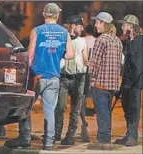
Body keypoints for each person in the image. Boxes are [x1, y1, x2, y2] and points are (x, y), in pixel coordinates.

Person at [29, 3, 74, 150]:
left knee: (26, 108)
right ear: (57, 15)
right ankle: (48, 143)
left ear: (44, 14)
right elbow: (71, 55)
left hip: (37, 75)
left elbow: (30, 56)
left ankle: (24, 137)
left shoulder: (36, 31)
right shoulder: (64, 32)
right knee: (50, 112)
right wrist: (57, 53)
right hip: (54, 76)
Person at [87, 12, 123, 150]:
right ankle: (104, 138)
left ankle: (103, 140)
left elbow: (95, 64)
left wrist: (90, 75)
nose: (95, 25)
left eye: (97, 22)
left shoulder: (101, 40)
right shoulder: (117, 41)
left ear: (103, 24)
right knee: (106, 112)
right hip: (112, 84)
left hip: (100, 83)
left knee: (102, 113)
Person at [55, 15, 89, 145]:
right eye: (80, 26)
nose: (82, 28)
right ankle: (56, 134)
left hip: (79, 77)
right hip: (63, 77)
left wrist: (88, 62)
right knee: (60, 106)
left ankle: (70, 136)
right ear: (73, 26)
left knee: (76, 109)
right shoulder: (62, 39)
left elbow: (85, 57)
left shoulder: (83, 41)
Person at [115, 15, 143, 147]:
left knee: (134, 110)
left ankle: (133, 136)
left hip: (134, 84)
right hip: (127, 83)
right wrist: (123, 84)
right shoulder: (129, 42)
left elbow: (138, 66)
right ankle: (128, 134)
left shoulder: (139, 42)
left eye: (124, 25)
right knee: (127, 109)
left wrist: (130, 83)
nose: (122, 27)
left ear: (131, 26)